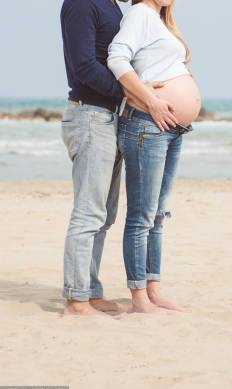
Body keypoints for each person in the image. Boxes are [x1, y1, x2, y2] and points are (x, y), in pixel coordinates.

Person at [60, 0, 177, 316]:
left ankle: (90, 291)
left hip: (110, 117)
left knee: (104, 215)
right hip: (89, 116)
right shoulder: (81, 3)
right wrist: (132, 93)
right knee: (88, 213)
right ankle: (77, 299)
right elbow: (84, 65)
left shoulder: (112, 7)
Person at [108, 0, 202, 313]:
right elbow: (117, 58)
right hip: (147, 124)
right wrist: (152, 100)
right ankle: (138, 298)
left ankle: (153, 288)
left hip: (172, 129)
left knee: (158, 214)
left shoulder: (161, 20)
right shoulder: (140, 14)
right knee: (142, 215)